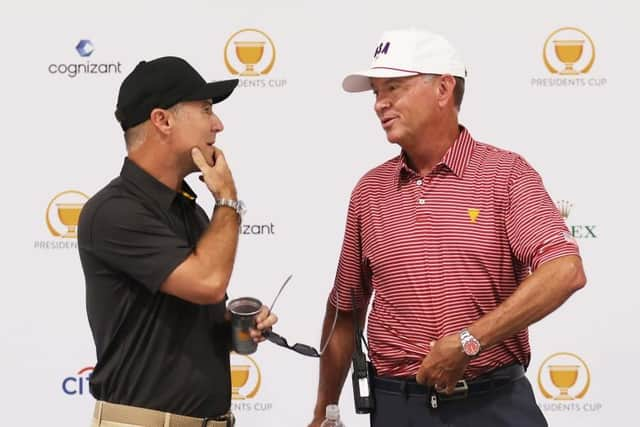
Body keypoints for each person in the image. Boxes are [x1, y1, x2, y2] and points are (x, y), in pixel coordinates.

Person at [309, 28, 586, 427]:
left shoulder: (505, 174)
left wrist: (470, 341)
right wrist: (324, 411)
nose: (379, 104)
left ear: (443, 88)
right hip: (397, 408)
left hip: (494, 405)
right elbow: (344, 310)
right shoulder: (369, 191)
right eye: (375, 92)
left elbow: (565, 270)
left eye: (393, 88)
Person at [78, 56, 277, 427]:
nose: (218, 125)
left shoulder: (191, 211)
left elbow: (185, 308)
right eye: (205, 110)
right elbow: (207, 282)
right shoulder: (113, 212)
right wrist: (227, 198)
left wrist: (232, 325)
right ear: (163, 120)